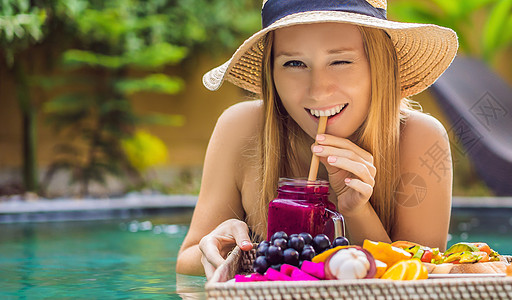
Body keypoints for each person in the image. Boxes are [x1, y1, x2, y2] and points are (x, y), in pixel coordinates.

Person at [175, 0, 458, 278]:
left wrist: (357, 211)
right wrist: (220, 250)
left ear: (379, 65)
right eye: (294, 63)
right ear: (271, 73)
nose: (318, 90)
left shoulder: (421, 140)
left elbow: (422, 278)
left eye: (340, 61)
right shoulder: (240, 128)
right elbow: (187, 260)